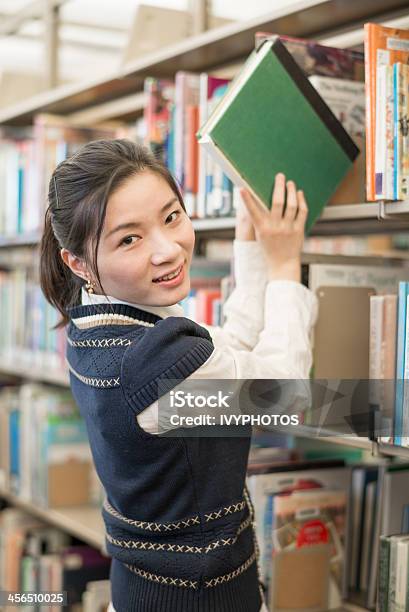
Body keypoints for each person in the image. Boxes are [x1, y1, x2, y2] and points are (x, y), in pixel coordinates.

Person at [39, 139, 318, 612]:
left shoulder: (97, 326)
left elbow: (226, 354)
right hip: (196, 598)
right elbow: (285, 393)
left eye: (171, 217)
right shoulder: (157, 364)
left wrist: (250, 244)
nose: (167, 251)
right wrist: (286, 264)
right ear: (79, 262)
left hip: (145, 588)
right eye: (130, 239)